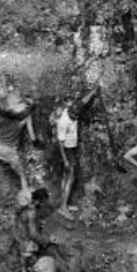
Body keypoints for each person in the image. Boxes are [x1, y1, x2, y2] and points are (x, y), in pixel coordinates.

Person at [54, 88, 99, 218]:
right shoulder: (63, 122)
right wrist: (66, 160)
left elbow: (83, 101)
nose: (75, 118)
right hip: (67, 150)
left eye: (77, 116)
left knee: (66, 176)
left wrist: (93, 91)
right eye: (74, 116)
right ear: (69, 112)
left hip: (72, 148)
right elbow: (60, 143)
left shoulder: (74, 108)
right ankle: (63, 208)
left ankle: (64, 204)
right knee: (70, 178)